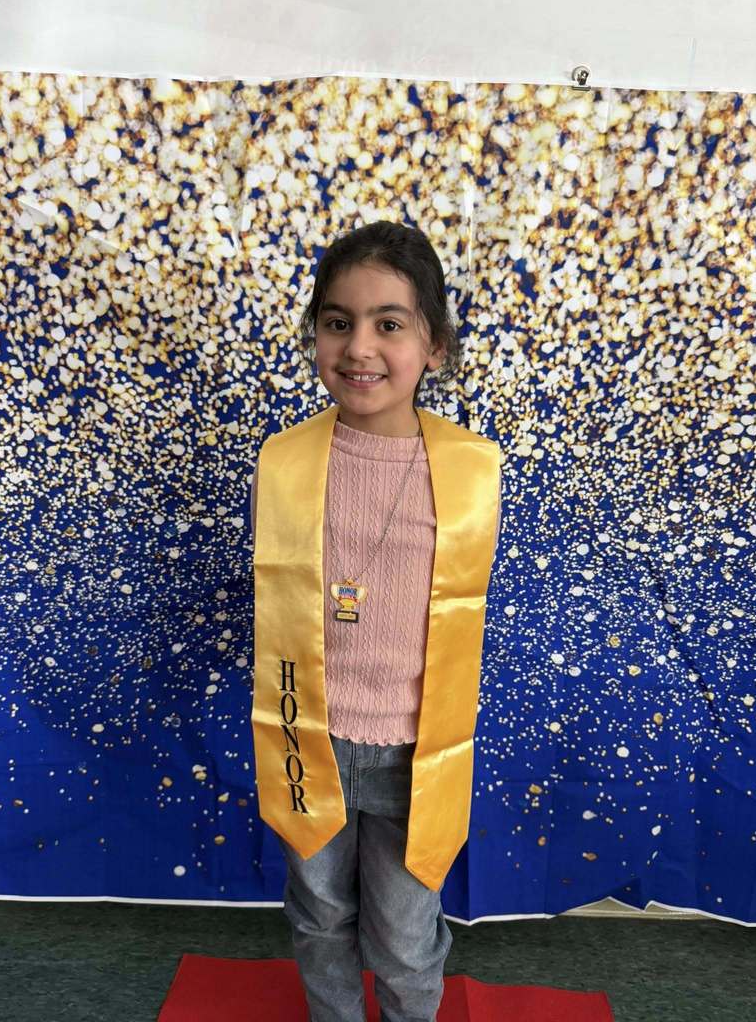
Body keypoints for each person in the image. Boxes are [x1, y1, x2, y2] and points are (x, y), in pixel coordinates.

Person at [250, 220, 502, 1022]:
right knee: (320, 918)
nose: (359, 346)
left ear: (434, 346)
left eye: (389, 324)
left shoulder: (467, 474)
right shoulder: (285, 463)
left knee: (402, 934)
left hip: (413, 752)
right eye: (337, 322)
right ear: (316, 336)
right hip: (307, 737)